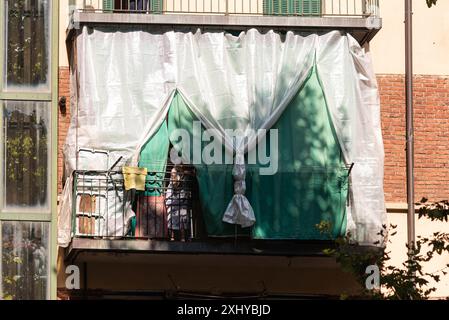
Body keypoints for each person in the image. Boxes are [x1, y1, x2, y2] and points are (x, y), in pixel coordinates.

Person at [165, 165, 192, 241]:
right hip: (174, 202)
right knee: (171, 213)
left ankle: (183, 236)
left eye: (173, 173)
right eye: (171, 173)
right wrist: (168, 202)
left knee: (182, 214)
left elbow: (184, 194)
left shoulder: (183, 182)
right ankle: (172, 236)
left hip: (182, 203)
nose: (172, 175)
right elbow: (169, 192)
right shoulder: (171, 182)